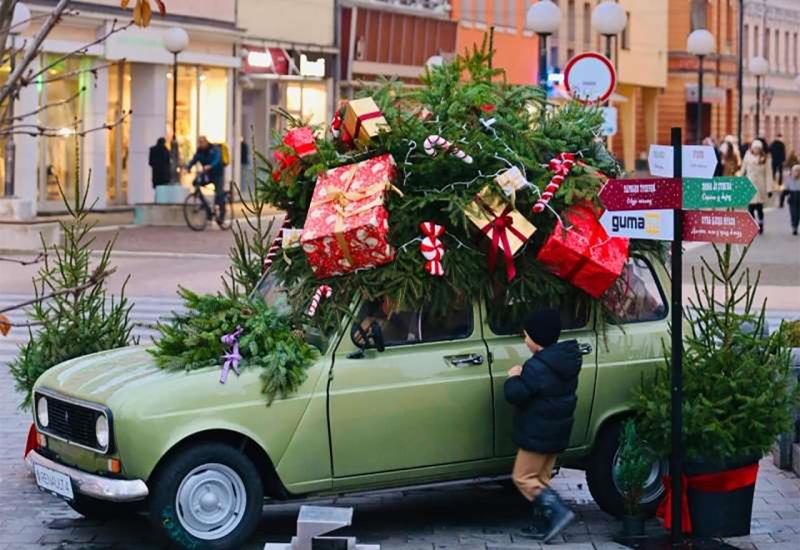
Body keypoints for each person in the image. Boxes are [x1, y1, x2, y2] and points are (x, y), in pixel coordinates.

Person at [505, 309, 583, 543]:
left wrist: (513, 377)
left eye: (527, 336)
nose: (525, 340)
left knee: (523, 478)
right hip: (556, 432)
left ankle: (559, 512)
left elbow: (516, 395)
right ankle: (542, 524)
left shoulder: (536, 367)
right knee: (541, 478)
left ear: (537, 340)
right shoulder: (563, 361)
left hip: (537, 434)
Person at [185, 136, 226, 224]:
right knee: (196, 183)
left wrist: (210, 165)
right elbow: (194, 160)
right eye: (199, 142)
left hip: (217, 173)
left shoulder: (214, 149)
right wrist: (188, 167)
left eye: (202, 142)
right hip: (207, 174)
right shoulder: (199, 151)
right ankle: (208, 210)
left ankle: (222, 215)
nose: (201, 144)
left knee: (219, 193)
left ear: (206, 142)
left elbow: (217, 159)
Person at [741, 139, 773, 234]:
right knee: (750, 208)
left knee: (759, 208)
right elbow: (743, 170)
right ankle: (754, 225)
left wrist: (769, 189)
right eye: (755, 148)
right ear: (752, 148)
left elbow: (768, 174)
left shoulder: (765, 159)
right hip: (749, 185)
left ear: (760, 149)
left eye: (758, 148)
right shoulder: (747, 157)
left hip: (760, 186)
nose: (756, 150)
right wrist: (738, 181)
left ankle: (761, 223)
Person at [769, 134, 786, 204]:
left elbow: (769, 150)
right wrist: (783, 159)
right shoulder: (780, 144)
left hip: (775, 160)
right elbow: (783, 152)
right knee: (778, 171)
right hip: (778, 160)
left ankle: (775, 182)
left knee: (774, 171)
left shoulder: (773, 143)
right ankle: (779, 182)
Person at [786, 164, 800, 236]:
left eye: (798, 171)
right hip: (792, 198)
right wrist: (781, 201)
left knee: (798, 214)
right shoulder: (789, 179)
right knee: (793, 213)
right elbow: (786, 190)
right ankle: (794, 227)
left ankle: (796, 225)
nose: (796, 173)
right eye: (795, 171)